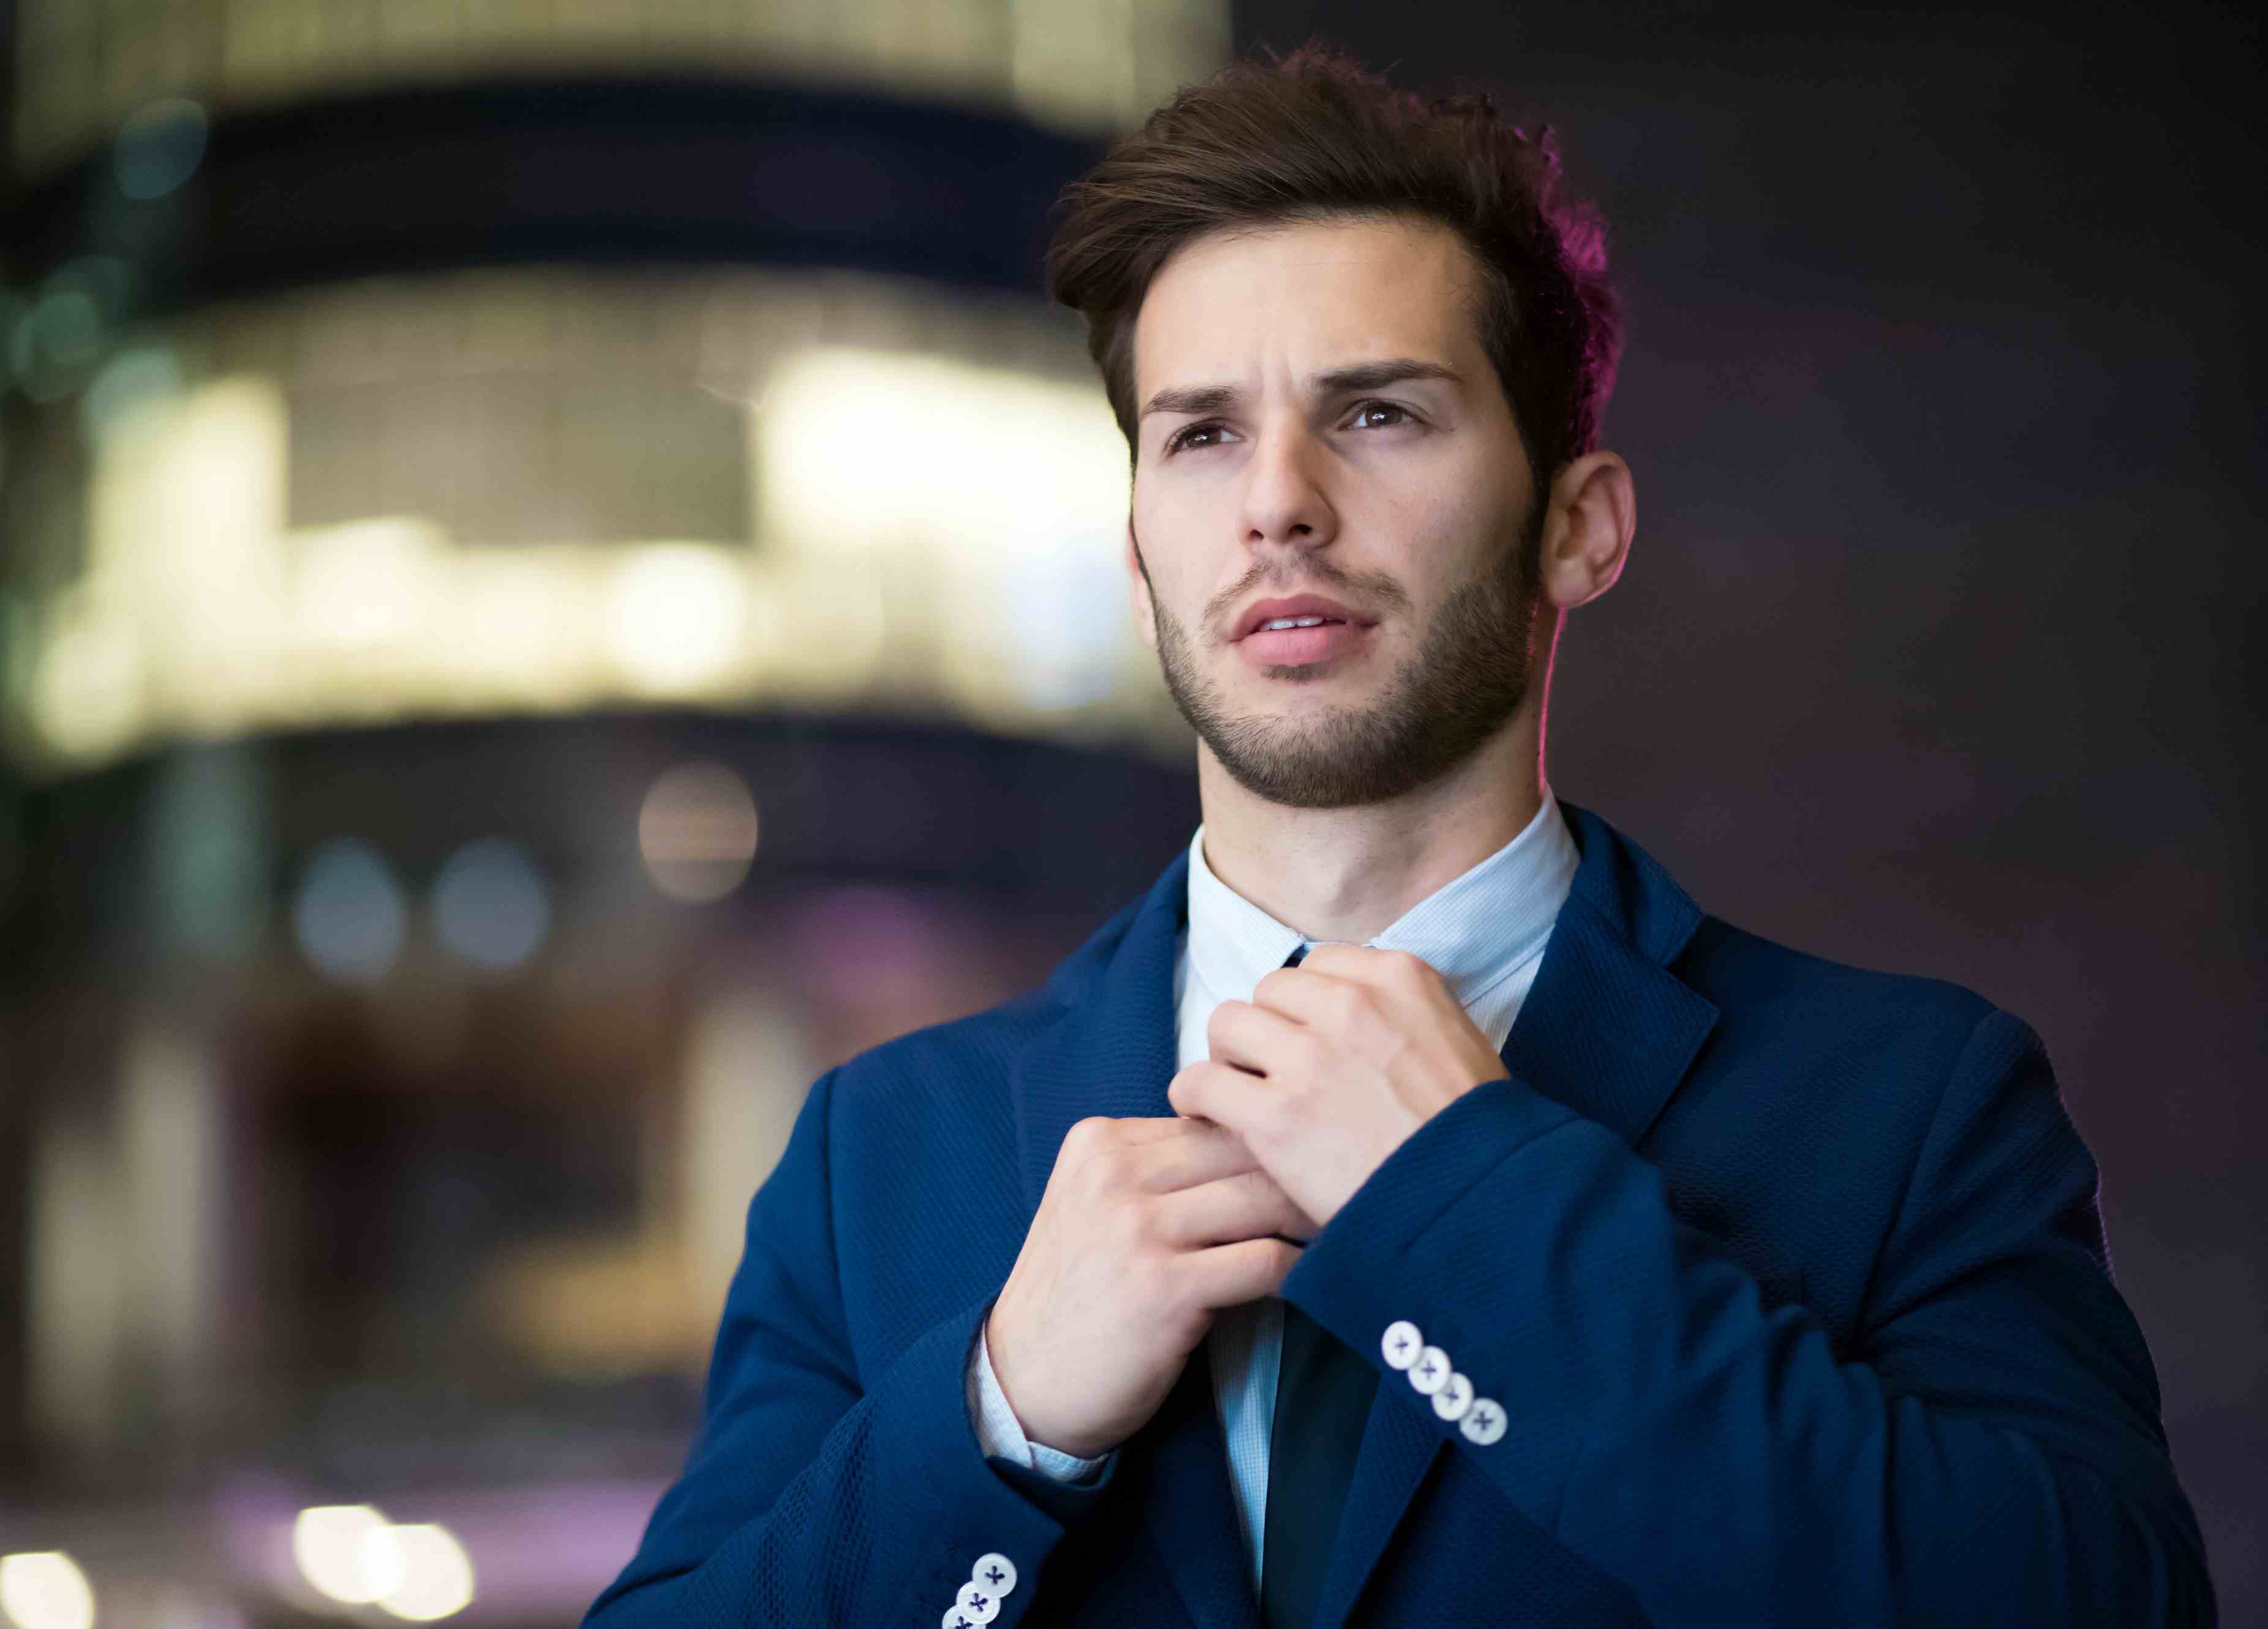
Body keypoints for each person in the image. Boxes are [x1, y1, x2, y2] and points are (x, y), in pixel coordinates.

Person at [582, 45, 2214, 1628]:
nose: (1276, 499)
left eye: (1376, 414)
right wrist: (999, 1414)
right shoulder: (875, 1160)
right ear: (1142, 557)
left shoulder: (1912, 1106)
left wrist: (1476, 1209)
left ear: (1576, 528)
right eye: (1202, 431)